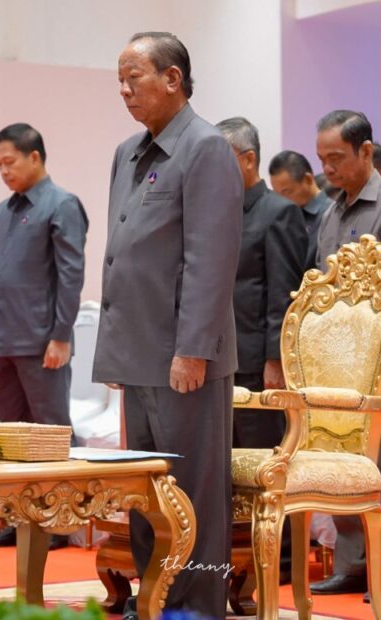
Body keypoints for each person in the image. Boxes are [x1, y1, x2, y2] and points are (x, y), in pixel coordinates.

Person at [92, 32, 243, 619]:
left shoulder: (205, 148)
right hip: (137, 352)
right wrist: (116, 349)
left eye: (134, 78)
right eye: (119, 81)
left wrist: (194, 348)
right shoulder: (126, 152)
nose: (124, 91)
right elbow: (122, 253)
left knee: (191, 491)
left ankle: (197, 606)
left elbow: (210, 258)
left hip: (185, 356)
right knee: (144, 491)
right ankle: (154, 600)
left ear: (173, 79)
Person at [308, 110, 381, 604]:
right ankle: (354, 564)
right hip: (337, 364)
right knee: (342, 467)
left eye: (337, 158)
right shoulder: (331, 211)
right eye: (322, 159)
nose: (328, 168)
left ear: (366, 151)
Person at [0, 123, 88, 548]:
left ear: (35, 157)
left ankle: (57, 523)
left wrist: (61, 335)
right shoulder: (0, 213)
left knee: (51, 434)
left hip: (42, 342)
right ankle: (18, 520)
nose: (4, 171)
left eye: (10, 162)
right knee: (11, 435)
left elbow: (70, 275)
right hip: (3, 340)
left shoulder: (62, 205)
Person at [217, 117, 307, 440]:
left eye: (221, 158)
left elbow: (284, 294)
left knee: (260, 454)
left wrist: (276, 360)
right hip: (219, 359)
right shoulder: (217, 212)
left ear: (249, 159)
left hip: (256, 365)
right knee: (223, 457)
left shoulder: (279, 212)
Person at [268, 149, 332, 271]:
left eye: (286, 192)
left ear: (308, 179)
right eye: (277, 194)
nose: (280, 200)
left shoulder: (330, 214)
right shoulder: (283, 216)